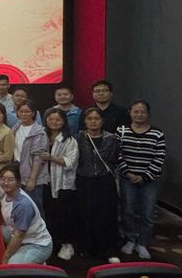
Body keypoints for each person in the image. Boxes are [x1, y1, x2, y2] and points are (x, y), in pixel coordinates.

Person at [118, 100, 166, 260]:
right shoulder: (121, 131)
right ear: (130, 113)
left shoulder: (157, 133)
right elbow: (117, 154)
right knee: (128, 211)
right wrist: (128, 173)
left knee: (148, 213)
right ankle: (130, 239)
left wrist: (144, 176)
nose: (139, 114)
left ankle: (143, 243)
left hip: (149, 181)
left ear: (148, 114)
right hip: (127, 178)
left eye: (143, 111)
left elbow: (159, 157)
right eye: (136, 111)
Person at [75, 107, 121, 263]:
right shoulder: (78, 138)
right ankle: (86, 248)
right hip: (84, 181)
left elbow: (115, 160)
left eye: (96, 118)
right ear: (84, 121)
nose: (93, 121)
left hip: (105, 182)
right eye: (89, 119)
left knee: (106, 215)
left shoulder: (112, 139)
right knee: (86, 214)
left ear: (102, 121)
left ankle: (108, 250)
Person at [39, 108, 78, 261]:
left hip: (62, 184)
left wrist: (52, 158)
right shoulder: (41, 135)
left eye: (58, 119)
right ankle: (53, 243)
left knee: (65, 215)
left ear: (63, 122)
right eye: (50, 119)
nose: (54, 122)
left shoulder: (69, 140)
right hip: (44, 182)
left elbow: (71, 162)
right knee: (49, 214)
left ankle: (67, 244)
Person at [0, 164, 53, 264]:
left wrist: (5, 257)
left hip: (37, 244)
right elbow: (8, 206)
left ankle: (37, 263)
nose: (6, 183)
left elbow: (19, 235)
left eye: (10, 180)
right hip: (22, 237)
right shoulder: (8, 193)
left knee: (12, 264)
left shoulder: (23, 204)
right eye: (3, 179)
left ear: (18, 182)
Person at [11, 100, 48, 214]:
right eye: (21, 111)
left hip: (32, 176)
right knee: (22, 208)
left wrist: (32, 180)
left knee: (35, 208)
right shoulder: (15, 128)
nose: (24, 114)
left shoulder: (39, 132)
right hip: (18, 173)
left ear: (33, 113)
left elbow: (38, 158)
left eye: (27, 111)